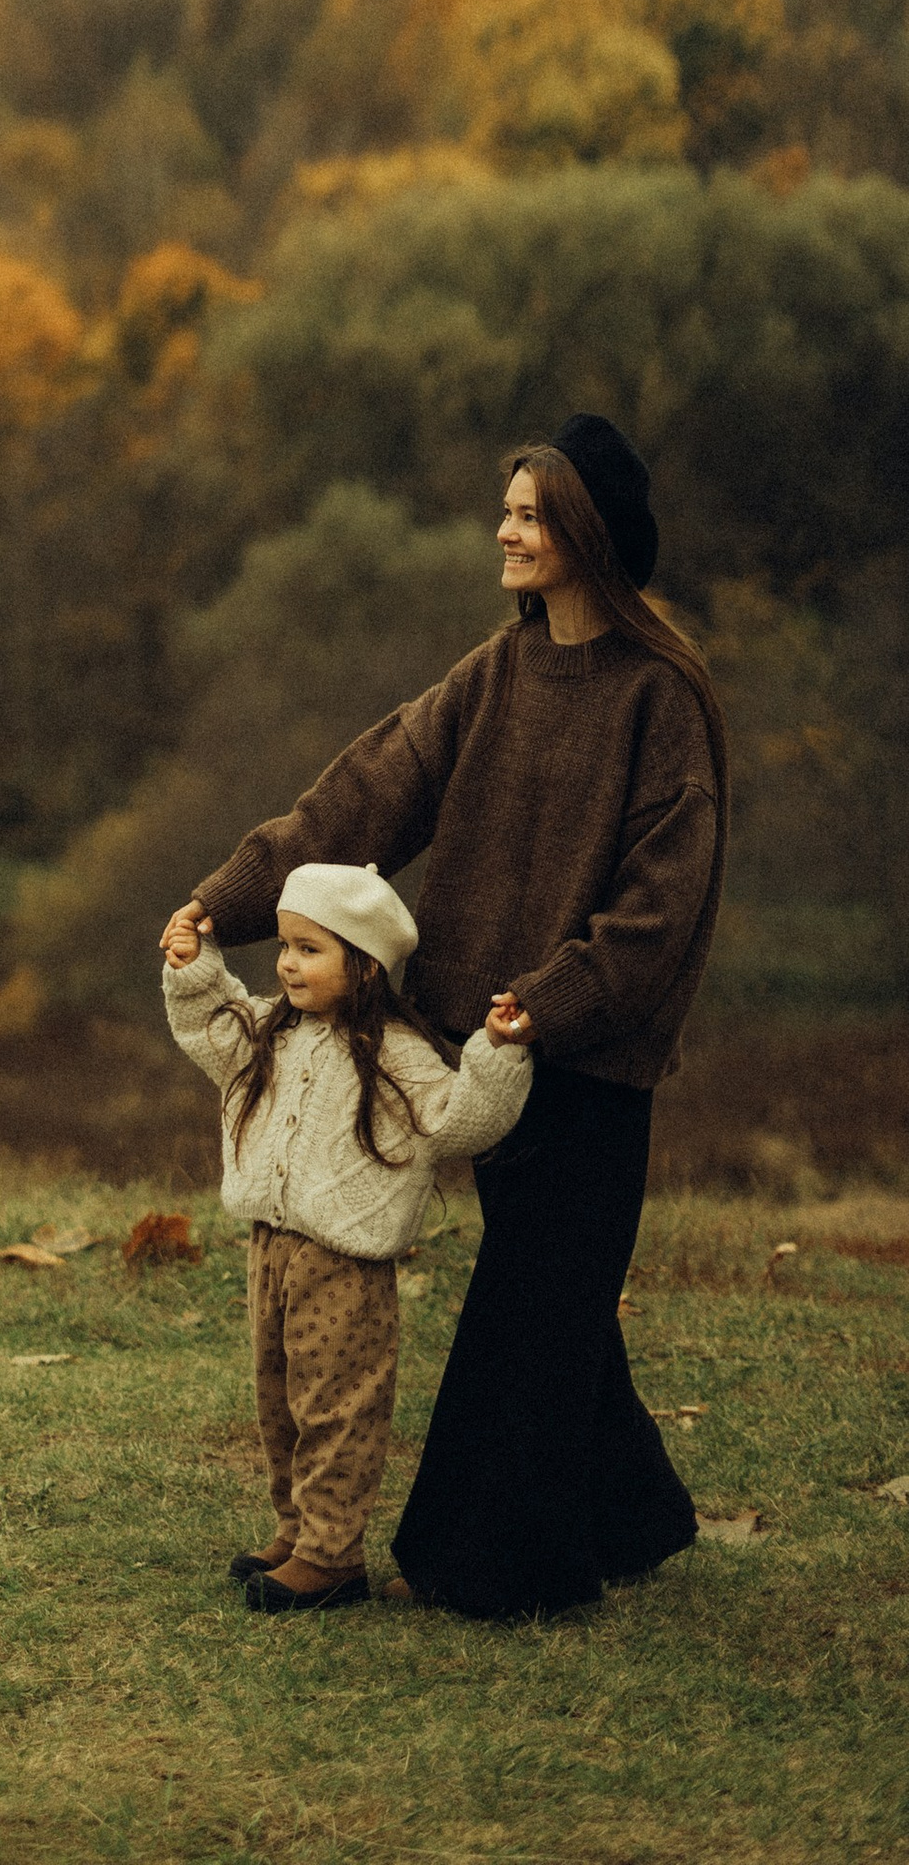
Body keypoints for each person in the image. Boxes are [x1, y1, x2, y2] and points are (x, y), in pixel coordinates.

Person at [166, 413, 726, 1620]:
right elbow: (361, 799)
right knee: (557, 1297)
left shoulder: (662, 699)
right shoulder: (495, 674)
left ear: (587, 533)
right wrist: (227, 900)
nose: (504, 532)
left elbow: (659, 909)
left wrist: (552, 1001)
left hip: (585, 1057)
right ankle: (630, 1513)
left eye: (528, 516)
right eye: (507, 511)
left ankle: (488, 1567)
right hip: (470, 1045)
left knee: (536, 1299)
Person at [162, 862, 533, 1615]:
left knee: (335, 1408)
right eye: (285, 946)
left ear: (364, 965)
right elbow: (211, 1026)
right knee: (279, 1401)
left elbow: (460, 1119)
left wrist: (497, 1052)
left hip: (344, 1263)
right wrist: (194, 968)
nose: (287, 964)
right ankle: (296, 1532)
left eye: (310, 949)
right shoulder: (272, 1033)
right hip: (271, 1249)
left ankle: (332, 1556)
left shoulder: (397, 1054)